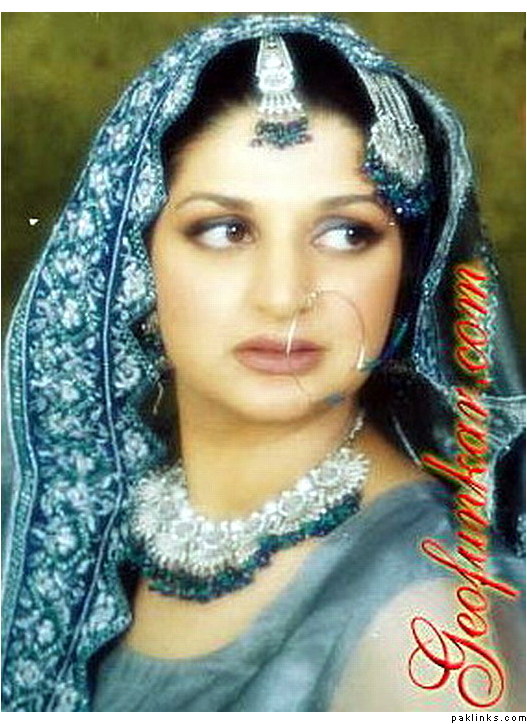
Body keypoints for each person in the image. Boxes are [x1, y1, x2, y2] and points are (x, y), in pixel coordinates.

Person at [1, 14, 524, 712]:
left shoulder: (423, 628)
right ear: (131, 268)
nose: (283, 296)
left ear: (407, 274)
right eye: (226, 230)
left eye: (346, 233)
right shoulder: (83, 524)